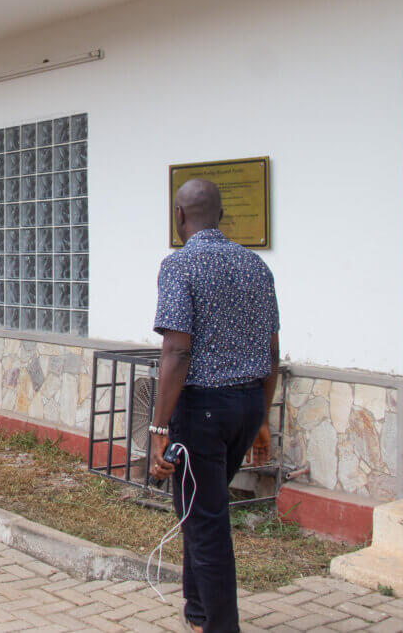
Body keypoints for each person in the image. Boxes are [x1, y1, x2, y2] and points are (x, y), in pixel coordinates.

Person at [149, 179, 280, 633]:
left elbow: (176, 352)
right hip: (245, 406)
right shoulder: (256, 267)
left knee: (206, 524)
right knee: (198, 510)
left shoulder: (179, 265)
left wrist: (159, 430)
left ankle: (220, 625)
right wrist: (261, 418)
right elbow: (272, 354)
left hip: (202, 410)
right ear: (220, 215)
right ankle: (199, 613)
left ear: (179, 215)